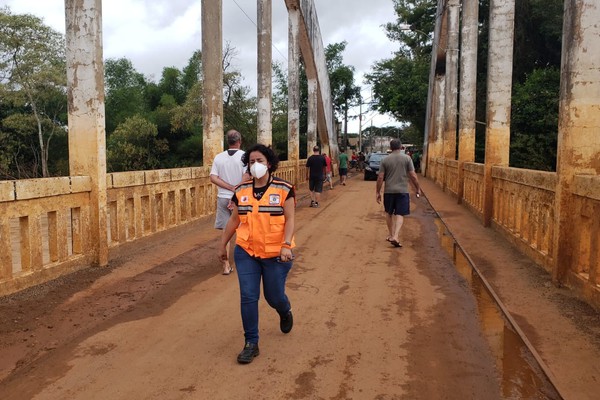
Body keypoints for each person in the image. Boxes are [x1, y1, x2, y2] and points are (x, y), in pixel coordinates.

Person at [218, 144, 296, 364]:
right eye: (251, 162)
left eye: (259, 161)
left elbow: (290, 219)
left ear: (269, 164)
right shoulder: (241, 190)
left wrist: (286, 245)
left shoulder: (284, 188)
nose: (255, 165)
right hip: (246, 251)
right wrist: (222, 244)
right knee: (248, 296)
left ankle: (284, 310)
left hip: (276, 254)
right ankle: (251, 343)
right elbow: (234, 220)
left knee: (273, 296)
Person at [210, 129, 249, 275]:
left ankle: (226, 266)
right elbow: (247, 176)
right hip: (240, 198)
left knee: (226, 232)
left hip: (222, 197)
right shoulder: (245, 156)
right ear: (240, 141)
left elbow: (213, 177)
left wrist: (229, 188)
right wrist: (236, 190)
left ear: (228, 141)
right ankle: (244, 262)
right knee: (243, 229)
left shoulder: (218, 157)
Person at [376, 139, 422, 248]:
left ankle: (391, 234)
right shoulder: (407, 158)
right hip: (402, 191)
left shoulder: (385, 160)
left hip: (389, 191)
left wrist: (378, 192)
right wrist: (418, 188)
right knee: (400, 214)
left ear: (391, 147)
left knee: (389, 212)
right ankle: (396, 236)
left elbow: (380, 177)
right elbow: (413, 176)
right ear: (401, 147)